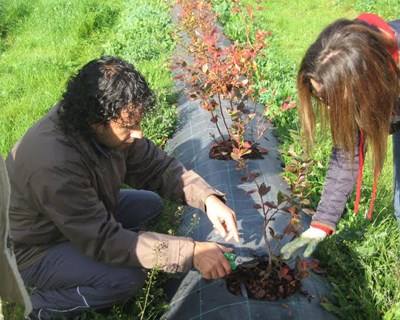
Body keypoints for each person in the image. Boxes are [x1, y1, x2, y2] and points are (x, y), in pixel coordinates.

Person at [6, 56, 239, 319]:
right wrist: (191, 252)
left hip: (75, 219)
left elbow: (156, 166)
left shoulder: (96, 125)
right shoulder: (52, 164)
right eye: (129, 127)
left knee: (149, 205)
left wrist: (208, 198)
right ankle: (38, 306)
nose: (138, 133)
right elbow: (103, 240)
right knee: (126, 278)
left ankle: (113, 256)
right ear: (96, 122)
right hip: (35, 248)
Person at [281, 13, 400, 260]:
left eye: (332, 100)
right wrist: (322, 223)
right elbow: (346, 156)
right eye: (322, 99)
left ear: (366, 84)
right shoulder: (355, 63)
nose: (329, 109)